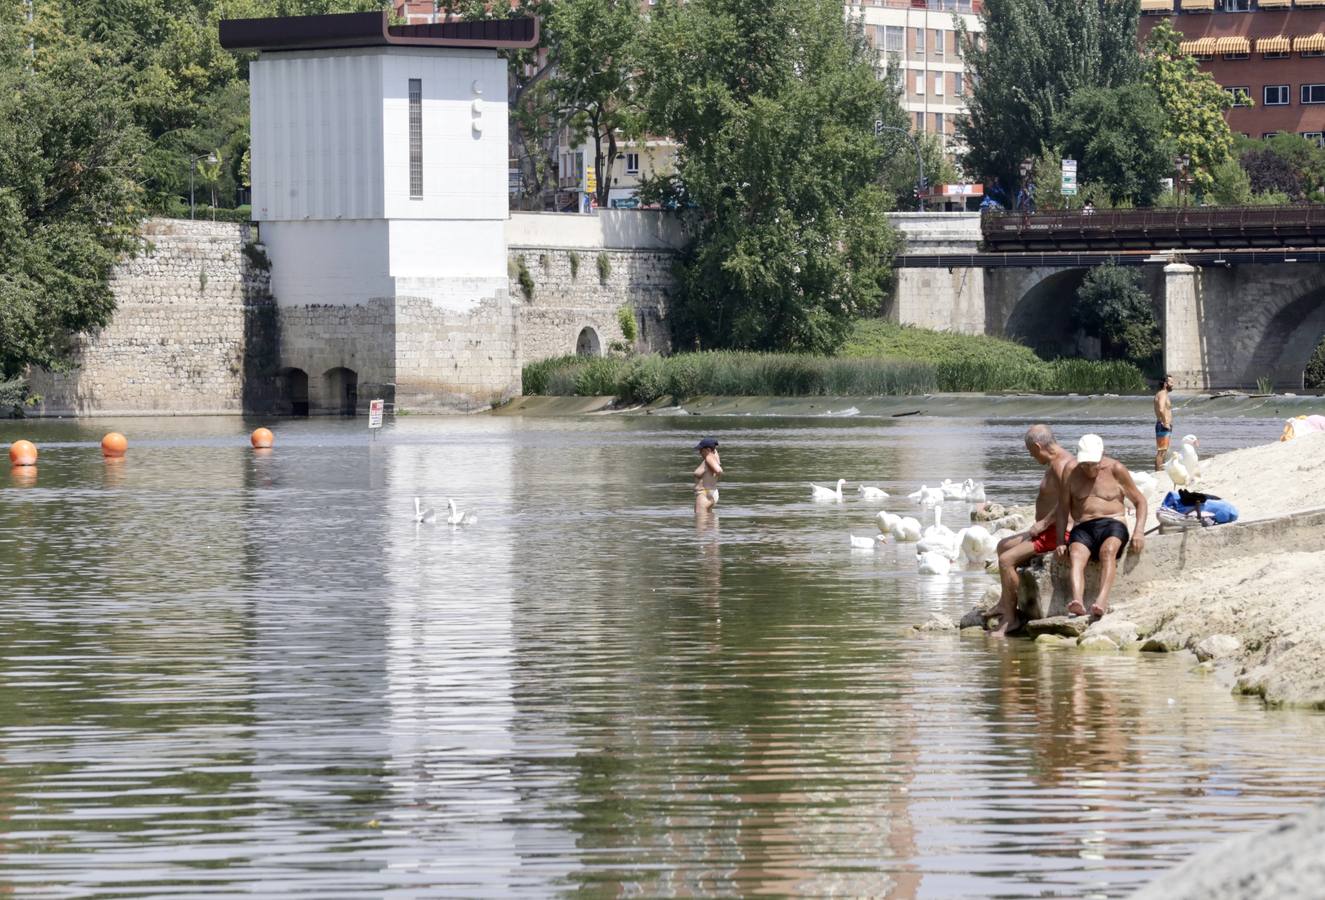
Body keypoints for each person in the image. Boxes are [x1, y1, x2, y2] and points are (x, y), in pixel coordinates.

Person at [991, 425, 1076, 637]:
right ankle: (1005, 604)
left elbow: (1068, 501)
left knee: (1006, 560)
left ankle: (1011, 619)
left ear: (1038, 446)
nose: (1031, 456)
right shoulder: (1057, 461)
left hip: (1057, 532)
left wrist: (1044, 524)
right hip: (1047, 530)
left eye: (1030, 452)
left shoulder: (1062, 464)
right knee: (1002, 546)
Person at [1056, 434, 1147, 619]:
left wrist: (1139, 531)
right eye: (1085, 464)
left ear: (1102, 455)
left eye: (1093, 463)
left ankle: (1101, 601)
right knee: (1075, 554)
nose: (1089, 469)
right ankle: (1077, 601)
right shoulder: (1070, 471)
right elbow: (1063, 508)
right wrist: (1060, 541)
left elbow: (1140, 501)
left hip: (1113, 523)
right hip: (1083, 526)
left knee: (1108, 551)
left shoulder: (1116, 469)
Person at [693, 438, 723, 514]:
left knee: (700, 522)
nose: (699, 452)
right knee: (709, 523)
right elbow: (715, 451)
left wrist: (717, 473)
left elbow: (719, 470)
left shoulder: (709, 458)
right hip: (709, 493)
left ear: (708, 450)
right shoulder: (714, 458)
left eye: (701, 450)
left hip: (704, 495)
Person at [1154, 374, 1174, 471]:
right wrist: (1165, 423)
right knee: (1161, 451)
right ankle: (1158, 473)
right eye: (1171, 382)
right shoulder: (1162, 394)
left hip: (1163, 425)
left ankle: (1160, 471)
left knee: (1163, 451)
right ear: (1166, 384)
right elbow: (1161, 409)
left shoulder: (1163, 394)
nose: (1173, 385)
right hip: (1163, 425)